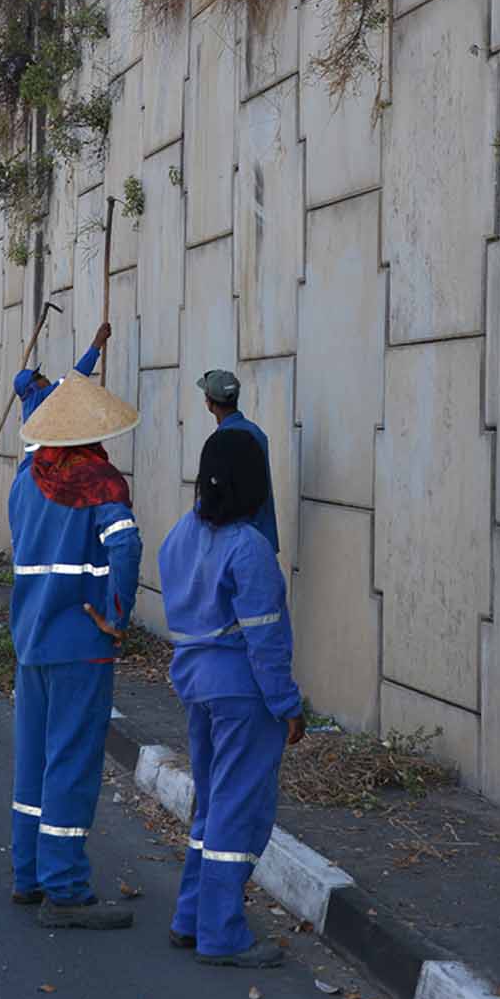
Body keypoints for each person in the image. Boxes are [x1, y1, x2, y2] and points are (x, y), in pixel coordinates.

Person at [158, 424, 303, 967]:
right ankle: (221, 934)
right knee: (238, 811)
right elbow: (267, 642)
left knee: (212, 804)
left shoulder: (181, 534)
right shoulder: (250, 548)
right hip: (244, 695)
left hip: (195, 685)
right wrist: (288, 706)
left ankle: (190, 916)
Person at [6, 370, 144, 929]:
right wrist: (117, 615)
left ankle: (28, 875)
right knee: (72, 762)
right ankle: (64, 889)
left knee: (34, 761)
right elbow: (125, 546)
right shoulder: (100, 482)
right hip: (82, 642)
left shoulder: (25, 480)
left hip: (30, 638)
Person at [10, 322, 111, 474]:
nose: (44, 376)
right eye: (39, 376)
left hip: (33, 465)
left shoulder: (31, 404)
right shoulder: (41, 398)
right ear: (33, 387)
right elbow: (75, 377)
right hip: (45, 466)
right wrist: (97, 344)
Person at [195, 369, 278, 554]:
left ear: (209, 403)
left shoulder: (223, 441)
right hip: (261, 535)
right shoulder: (256, 433)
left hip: (236, 544)